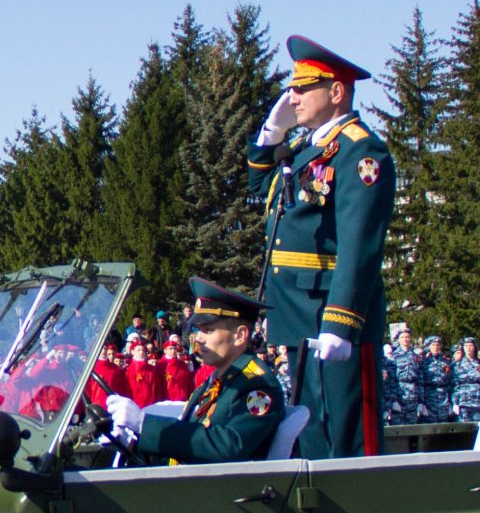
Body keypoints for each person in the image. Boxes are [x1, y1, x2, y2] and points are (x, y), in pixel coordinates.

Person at [250, 36, 393, 458]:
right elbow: (260, 187)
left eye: (302, 88)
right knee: (311, 432)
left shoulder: (361, 151)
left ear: (335, 92)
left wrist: (341, 322)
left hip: (330, 310)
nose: (291, 97)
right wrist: (271, 134)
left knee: (346, 435)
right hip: (297, 309)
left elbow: (359, 244)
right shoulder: (305, 146)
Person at [107, 280, 287, 465]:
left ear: (240, 335)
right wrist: (135, 439)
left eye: (208, 330)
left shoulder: (257, 384)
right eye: (198, 330)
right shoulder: (221, 378)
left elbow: (231, 445)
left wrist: (145, 425)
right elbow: (190, 432)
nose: (198, 339)